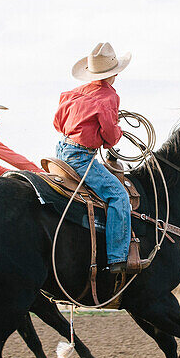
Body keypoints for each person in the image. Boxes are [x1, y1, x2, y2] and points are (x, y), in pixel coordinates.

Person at [53, 42, 135, 274]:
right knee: (119, 195)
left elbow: (57, 124)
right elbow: (110, 136)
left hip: (61, 151)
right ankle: (117, 258)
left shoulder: (71, 94)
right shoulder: (109, 97)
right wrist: (116, 130)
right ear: (116, 72)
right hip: (81, 158)